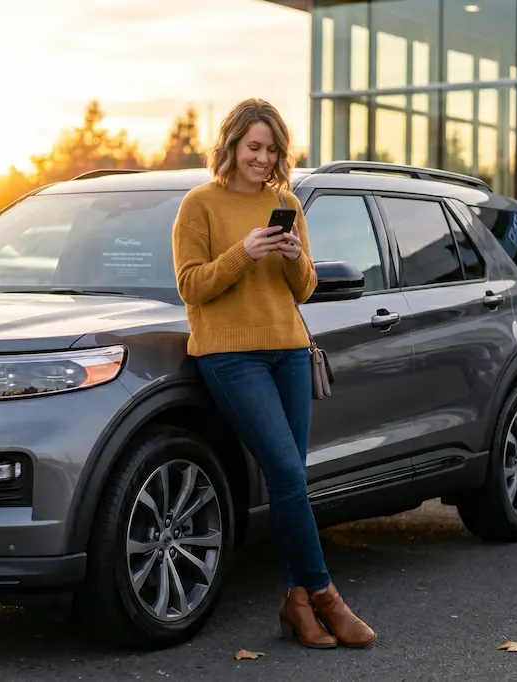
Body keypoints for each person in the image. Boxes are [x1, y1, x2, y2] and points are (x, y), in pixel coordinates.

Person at [170, 98, 377, 650]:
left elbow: (304, 288)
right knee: (286, 470)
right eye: (253, 147)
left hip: (288, 351)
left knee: (291, 481)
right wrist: (244, 252)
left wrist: (286, 253)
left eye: (271, 150)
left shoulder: (285, 202)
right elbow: (191, 286)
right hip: (230, 356)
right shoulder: (200, 205)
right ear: (233, 146)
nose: (262, 159)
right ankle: (327, 595)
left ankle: (296, 604)